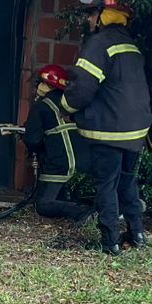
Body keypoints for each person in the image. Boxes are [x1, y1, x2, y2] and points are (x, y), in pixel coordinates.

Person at [64, 0, 151, 255]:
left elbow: (82, 87)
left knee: (107, 184)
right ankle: (136, 233)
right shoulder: (130, 45)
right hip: (135, 130)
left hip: (110, 130)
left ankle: (110, 241)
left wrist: (66, 107)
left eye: (92, 14)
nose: (89, 19)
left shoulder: (99, 43)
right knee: (127, 182)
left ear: (103, 15)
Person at [20, 63, 92, 222]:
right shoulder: (74, 103)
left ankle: (81, 212)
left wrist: (26, 137)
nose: (38, 86)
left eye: (41, 83)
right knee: (72, 195)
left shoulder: (41, 106)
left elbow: (33, 140)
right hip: (86, 164)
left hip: (61, 165)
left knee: (44, 204)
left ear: (48, 85)